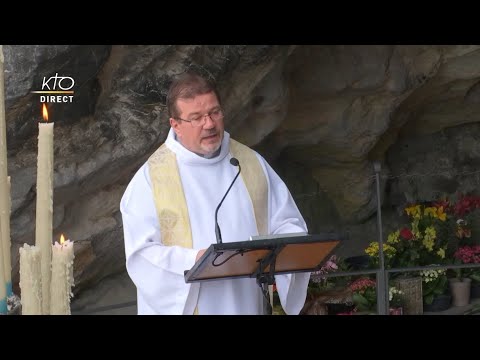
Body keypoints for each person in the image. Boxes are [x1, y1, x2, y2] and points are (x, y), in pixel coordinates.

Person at [120, 71, 311, 315]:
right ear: (175, 125)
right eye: (196, 117)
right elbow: (141, 256)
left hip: (247, 303)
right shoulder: (151, 179)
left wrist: (286, 246)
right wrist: (197, 260)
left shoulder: (249, 164)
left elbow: (288, 223)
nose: (209, 124)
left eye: (214, 112)